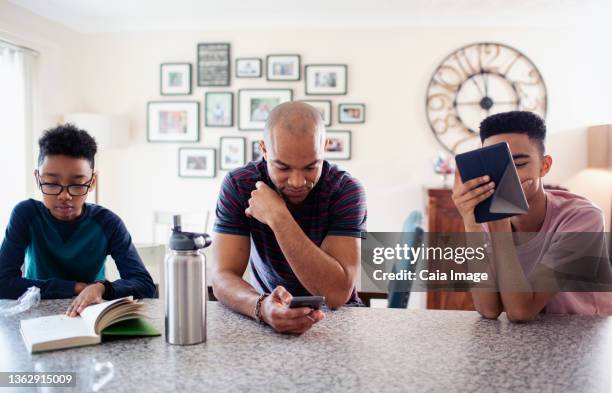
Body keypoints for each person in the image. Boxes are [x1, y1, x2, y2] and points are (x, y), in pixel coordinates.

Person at [212, 102, 367, 334]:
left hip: (338, 320)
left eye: (310, 167)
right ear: (264, 150)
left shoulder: (345, 191)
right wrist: (261, 306)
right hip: (266, 314)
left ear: (324, 148)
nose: (297, 182)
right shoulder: (239, 185)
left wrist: (279, 218)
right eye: (283, 168)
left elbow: (335, 295)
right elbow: (222, 276)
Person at [452, 111, 611, 321]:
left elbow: (520, 312)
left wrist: (499, 224)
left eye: (518, 165)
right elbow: (488, 309)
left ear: (544, 166)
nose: (508, 177)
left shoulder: (583, 218)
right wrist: (471, 225)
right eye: (497, 167)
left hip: (584, 335)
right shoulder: (487, 219)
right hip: (530, 338)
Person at [0, 124, 156, 316]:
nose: (64, 196)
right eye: (52, 183)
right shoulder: (26, 214)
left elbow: (144, 285)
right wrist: (76, 288)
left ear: (92, 182)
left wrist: (101, 288)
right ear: (37, 178)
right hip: (36, 313)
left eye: (76, 184)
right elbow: (3, 282)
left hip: (92, 314)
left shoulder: (108, 223)